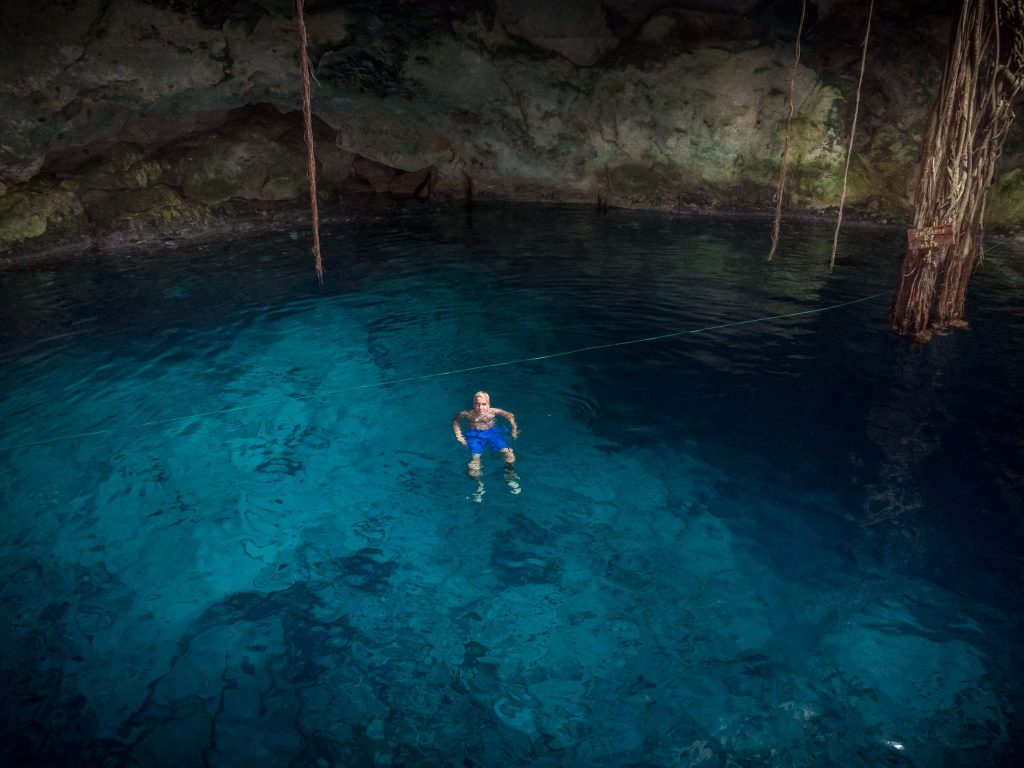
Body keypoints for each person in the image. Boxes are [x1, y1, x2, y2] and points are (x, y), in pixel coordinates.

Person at [452, 391, 518, 478]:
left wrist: (514, 429)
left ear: (488, 404)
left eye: (484, 404)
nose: (480, 407)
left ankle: (509, 471)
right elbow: (455, 421)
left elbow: (510, 415)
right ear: (473, 404)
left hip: (492, 433)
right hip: (475, 435)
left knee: (508, 453)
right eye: (477, 404)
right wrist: (459, 436)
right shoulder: (467, 414)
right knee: (475, 458)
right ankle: (478, 482)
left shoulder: (493, 412)